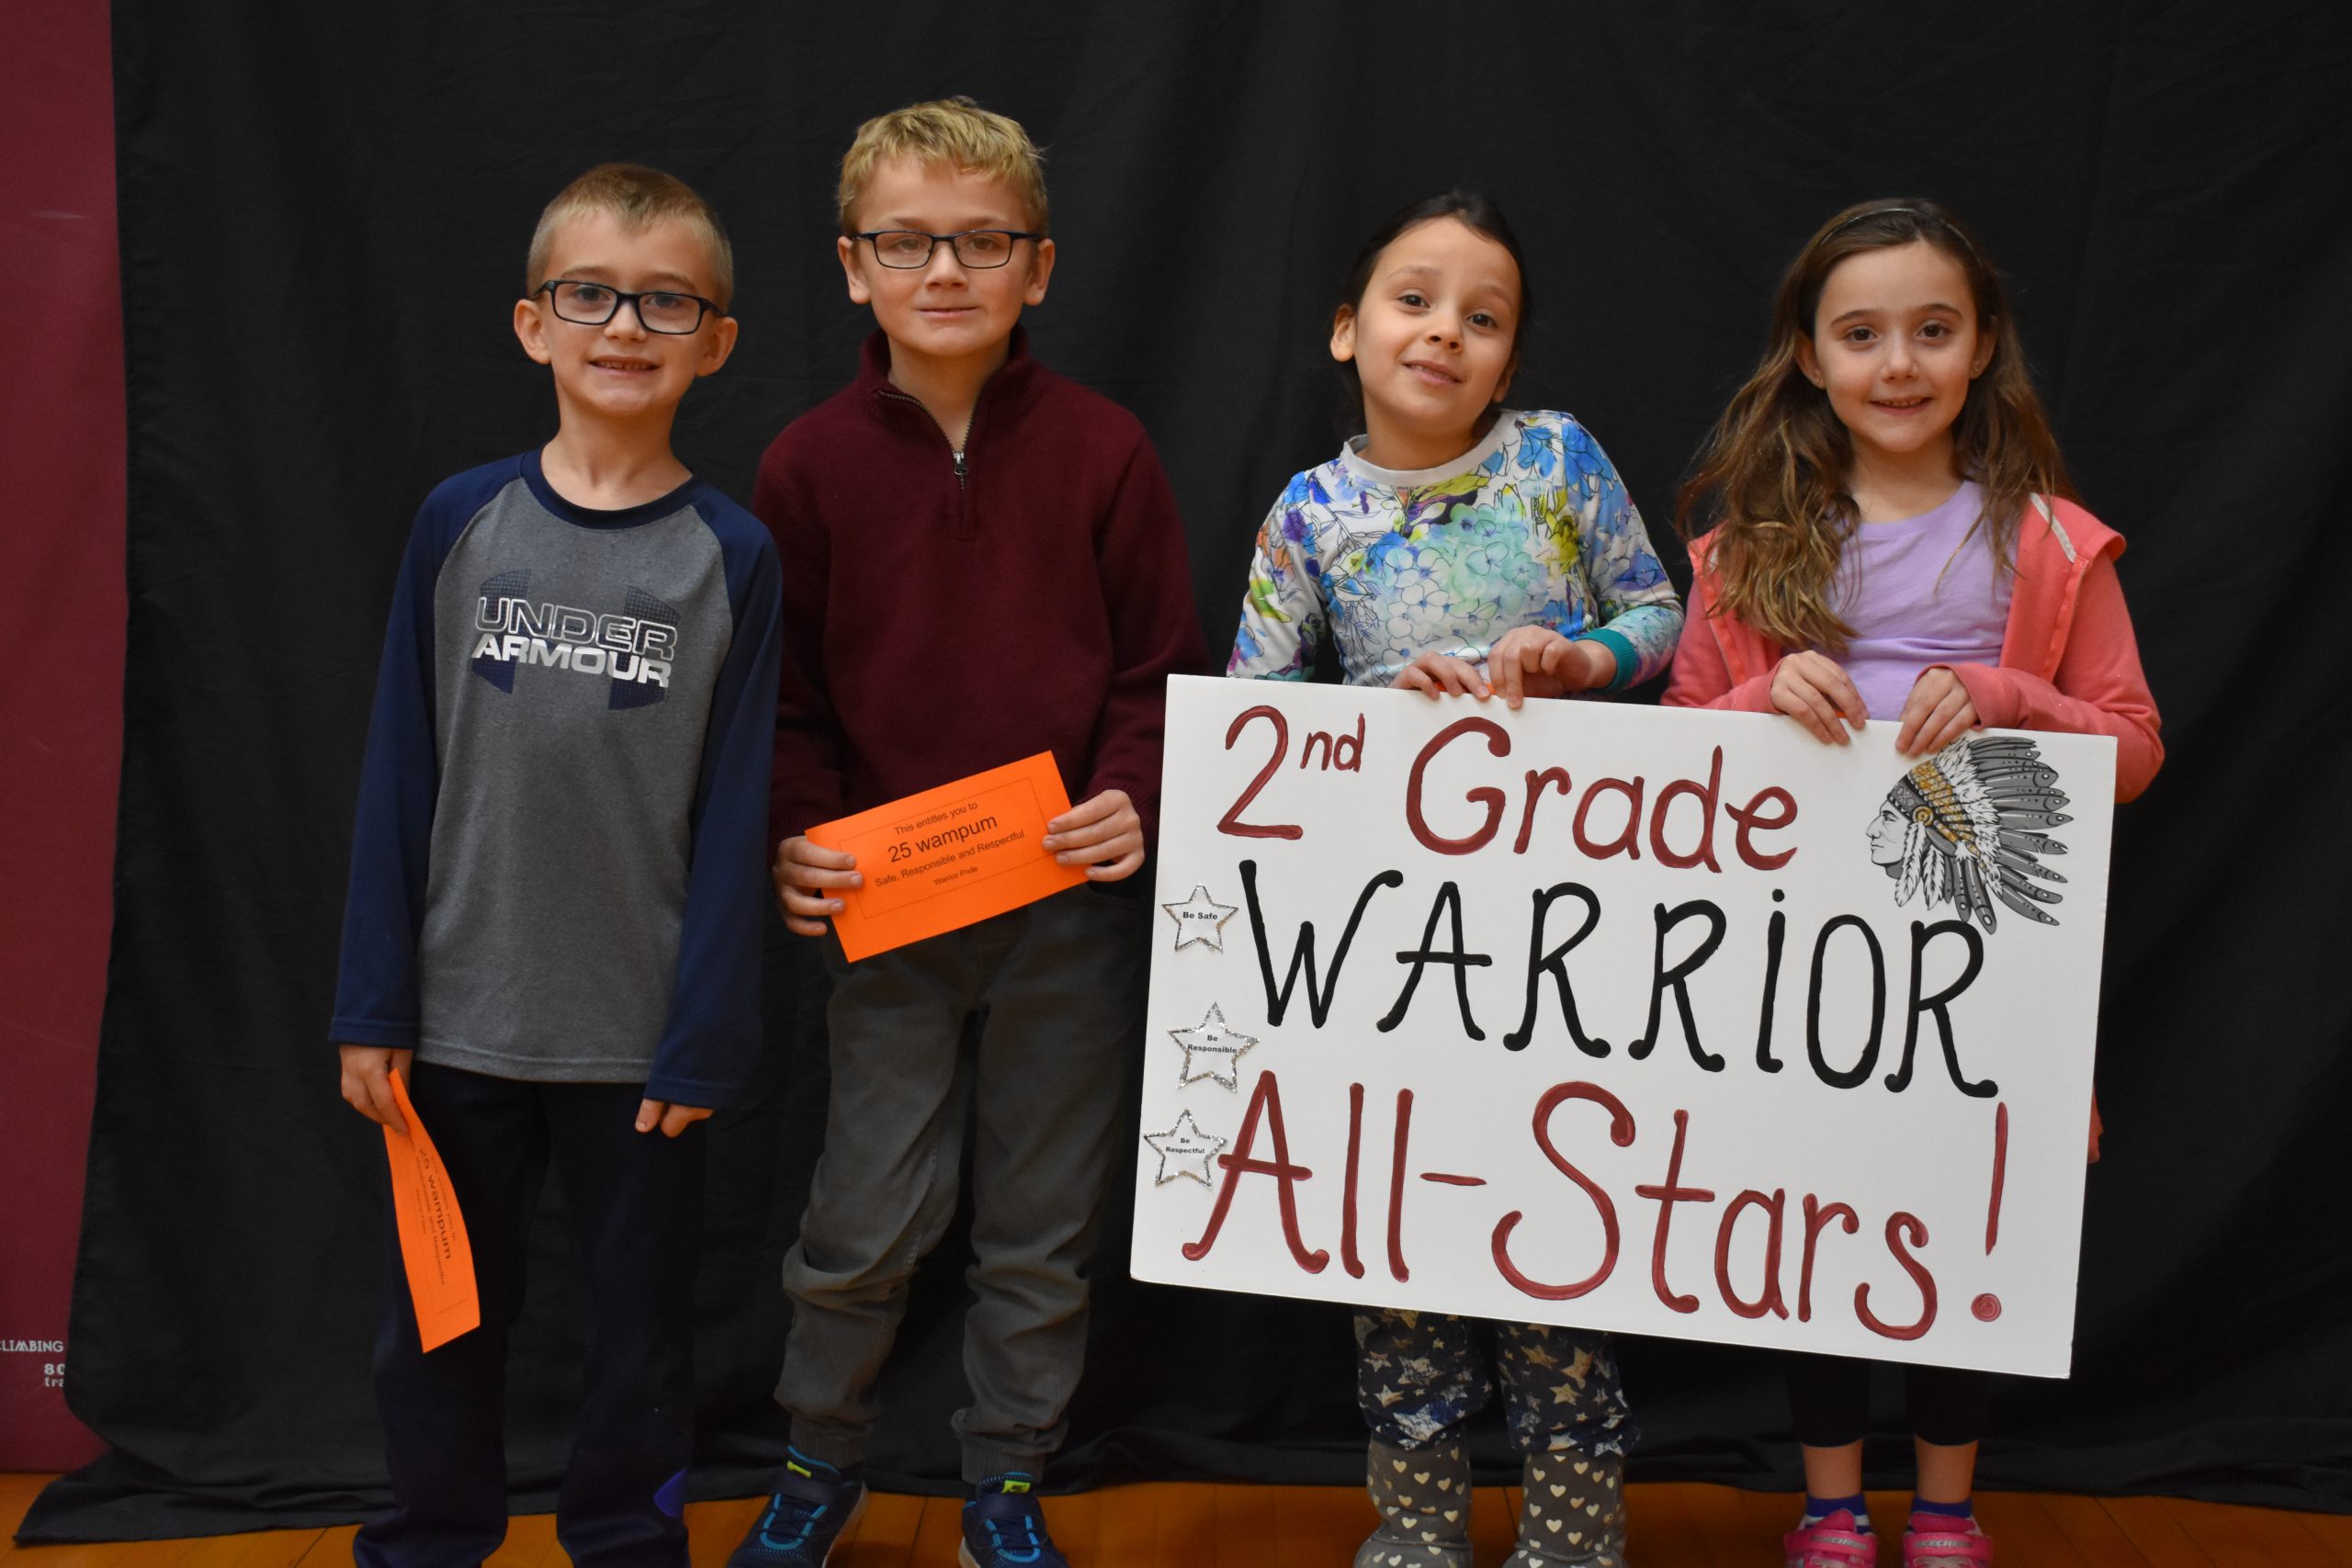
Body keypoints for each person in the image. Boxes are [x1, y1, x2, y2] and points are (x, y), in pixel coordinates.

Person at [728, 97, 1208, 1568]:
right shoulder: (806, 468)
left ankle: (1007, 1479)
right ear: (852, 265)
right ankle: (818, 1466)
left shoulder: (1106, 450)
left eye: (982, 241)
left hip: (1066, 906)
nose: (946, 269)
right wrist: (801, 835)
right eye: (908, 241)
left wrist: (1132, 794)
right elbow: (788, 701)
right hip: (893, 908)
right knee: (865, 1216)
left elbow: (1153, 671)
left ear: (1038, 267)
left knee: (1041, 1223)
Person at [1662, 197, 2163, 1568]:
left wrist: (2011, 695)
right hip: (1798, 954)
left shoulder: (2055, 546)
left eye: (1932, 332)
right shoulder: (1743, 551)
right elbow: (1664, 767)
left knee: (1958, 1226)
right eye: (1863, 333)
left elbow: (2131, 753)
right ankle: (1829, 1505)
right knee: (1813, 1232)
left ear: (1982, 346)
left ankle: (1944, 1507)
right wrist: (1759, 694)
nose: (1899, 364)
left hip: (1981, 954)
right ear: (1811, 356)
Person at [330, 164, 780, 1567]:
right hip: (457, 1022)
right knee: (439, 1326)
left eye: (666, 301)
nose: (625, 325)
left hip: (637, 1044)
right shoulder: (460, 522)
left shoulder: (733, 555)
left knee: (642, 1341)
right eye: (591, 293)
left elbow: (737, 810)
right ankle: (432, 1540)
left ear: (715, 340)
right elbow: (399, 766)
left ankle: (628, 1547)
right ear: (536, 324)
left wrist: (702, 1037)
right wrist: (370, 1006)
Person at [1229, 190, 1685, 1568]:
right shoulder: (1310, 515)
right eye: (1414, 300)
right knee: (1402, 1227)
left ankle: (1573, 1522)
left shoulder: (1556, 461)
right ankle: (1417, 1525)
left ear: (1509, 358)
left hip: (1565, 914)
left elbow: (1658, 613)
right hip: (1389, 936)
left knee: (1557, 1217)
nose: (1445, 334)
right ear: (1345, 329)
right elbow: (1257, 707)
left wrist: (1579, 661)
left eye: (1483, 319)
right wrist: (1375, 702)